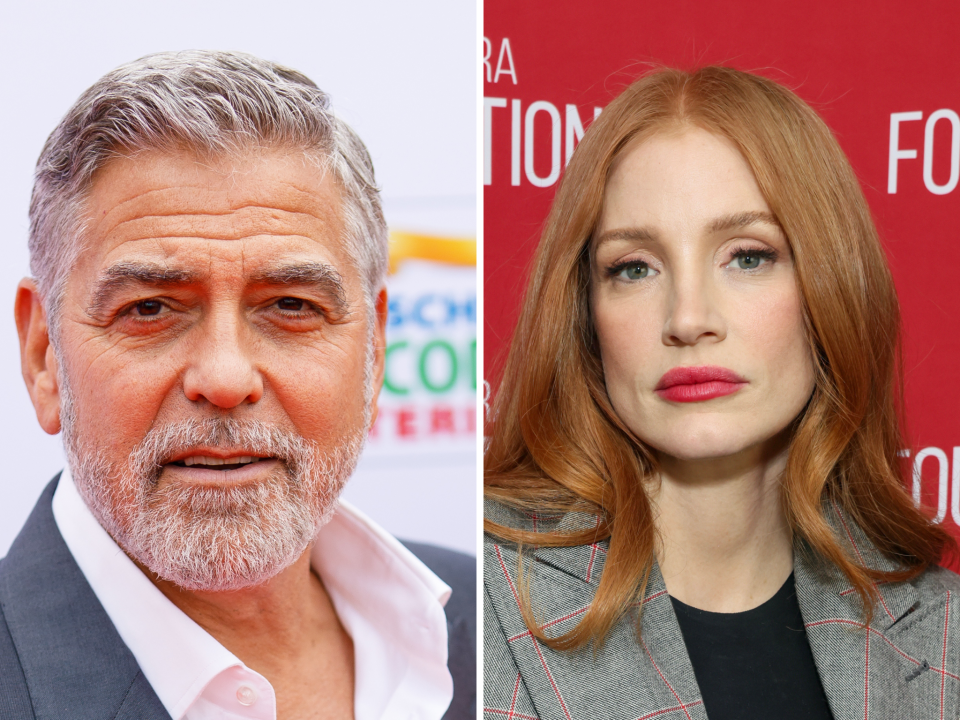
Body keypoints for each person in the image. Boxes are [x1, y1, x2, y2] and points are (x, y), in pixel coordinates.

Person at [0, 51, 474, 720]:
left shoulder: (494, 624)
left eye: (290, 306)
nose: (224, 378)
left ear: (374, 349)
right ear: (44, 354)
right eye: (150, 309)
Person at [483, 66, 960, 720]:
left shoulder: (941, 638)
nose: (687, 317)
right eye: (633, 267)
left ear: (831, 289)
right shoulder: (475, 611)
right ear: (585, 316)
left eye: (747, 256)